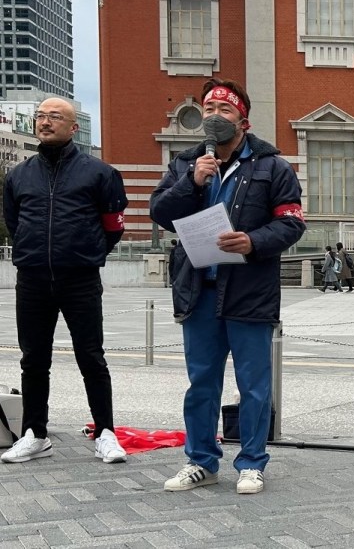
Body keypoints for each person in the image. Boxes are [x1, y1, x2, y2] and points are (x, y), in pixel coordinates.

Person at [150, 78, 305, 495]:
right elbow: (160, 211)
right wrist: (192, 182)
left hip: (249, 289)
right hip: (198, 290)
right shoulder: (186, 163)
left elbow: (292, 223)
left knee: (253, 385)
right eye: (209, 109)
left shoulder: (272, 166)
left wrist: (253, 241)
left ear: (243, 120)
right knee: (201, 382)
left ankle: (252, 462)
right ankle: (201, 461)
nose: (214, 116)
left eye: (224, 110)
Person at [1, 97, 129, 465]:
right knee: (33, 360)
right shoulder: (19, 175)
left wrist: (86, 253)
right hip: (32, 279)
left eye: (55, 117)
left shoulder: (100, 173)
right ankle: (34, 433)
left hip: (80, 279)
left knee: (91, 356)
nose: (45, 122)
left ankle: (105, 433)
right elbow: (15, 222)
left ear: (73, 127)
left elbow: (112, 228)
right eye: (41, 116)